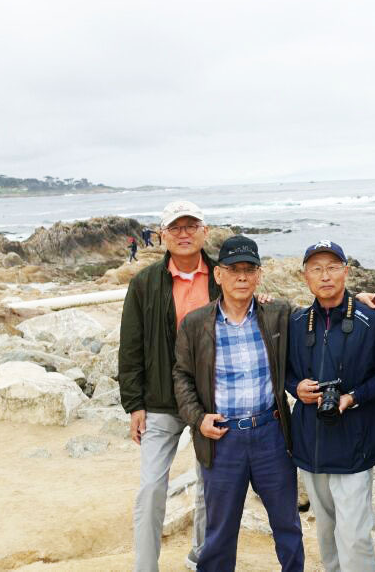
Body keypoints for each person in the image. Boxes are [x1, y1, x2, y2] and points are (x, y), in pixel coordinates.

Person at [173, 235, 304, 572]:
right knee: (219, 532)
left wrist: (361, 301)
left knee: (287, 524)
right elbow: (182, 376)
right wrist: (198, 418)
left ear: (259, 275)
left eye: (249, 270)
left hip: (271, 434)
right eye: (234, 270)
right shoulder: (196, 323)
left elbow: (319, 317)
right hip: (222, 438)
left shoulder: (277, 313)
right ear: (218, 275)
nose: (242, 277)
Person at [285, 240, 375, 571]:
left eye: (333, 267)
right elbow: (285, 372)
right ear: (305, 276)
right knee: (326, 531)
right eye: (316, 269)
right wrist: (296, 387)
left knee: (356, 535)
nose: (325, 276)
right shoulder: (296, 322)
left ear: (346, 272)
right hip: (311, 443)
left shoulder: (371, 319)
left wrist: (353, 397)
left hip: (355, 443)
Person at [119, 200, 213, 571]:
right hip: (159, 400)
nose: (184, 234)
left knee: (210, 487)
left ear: (205, 231)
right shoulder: (144, 283)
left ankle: (202, 557)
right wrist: (134, 405)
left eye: (191, 226)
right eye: (175, 227)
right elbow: (130, 346)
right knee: (151, 489)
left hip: (210, 400)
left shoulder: (223, 276)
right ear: (162, 235)